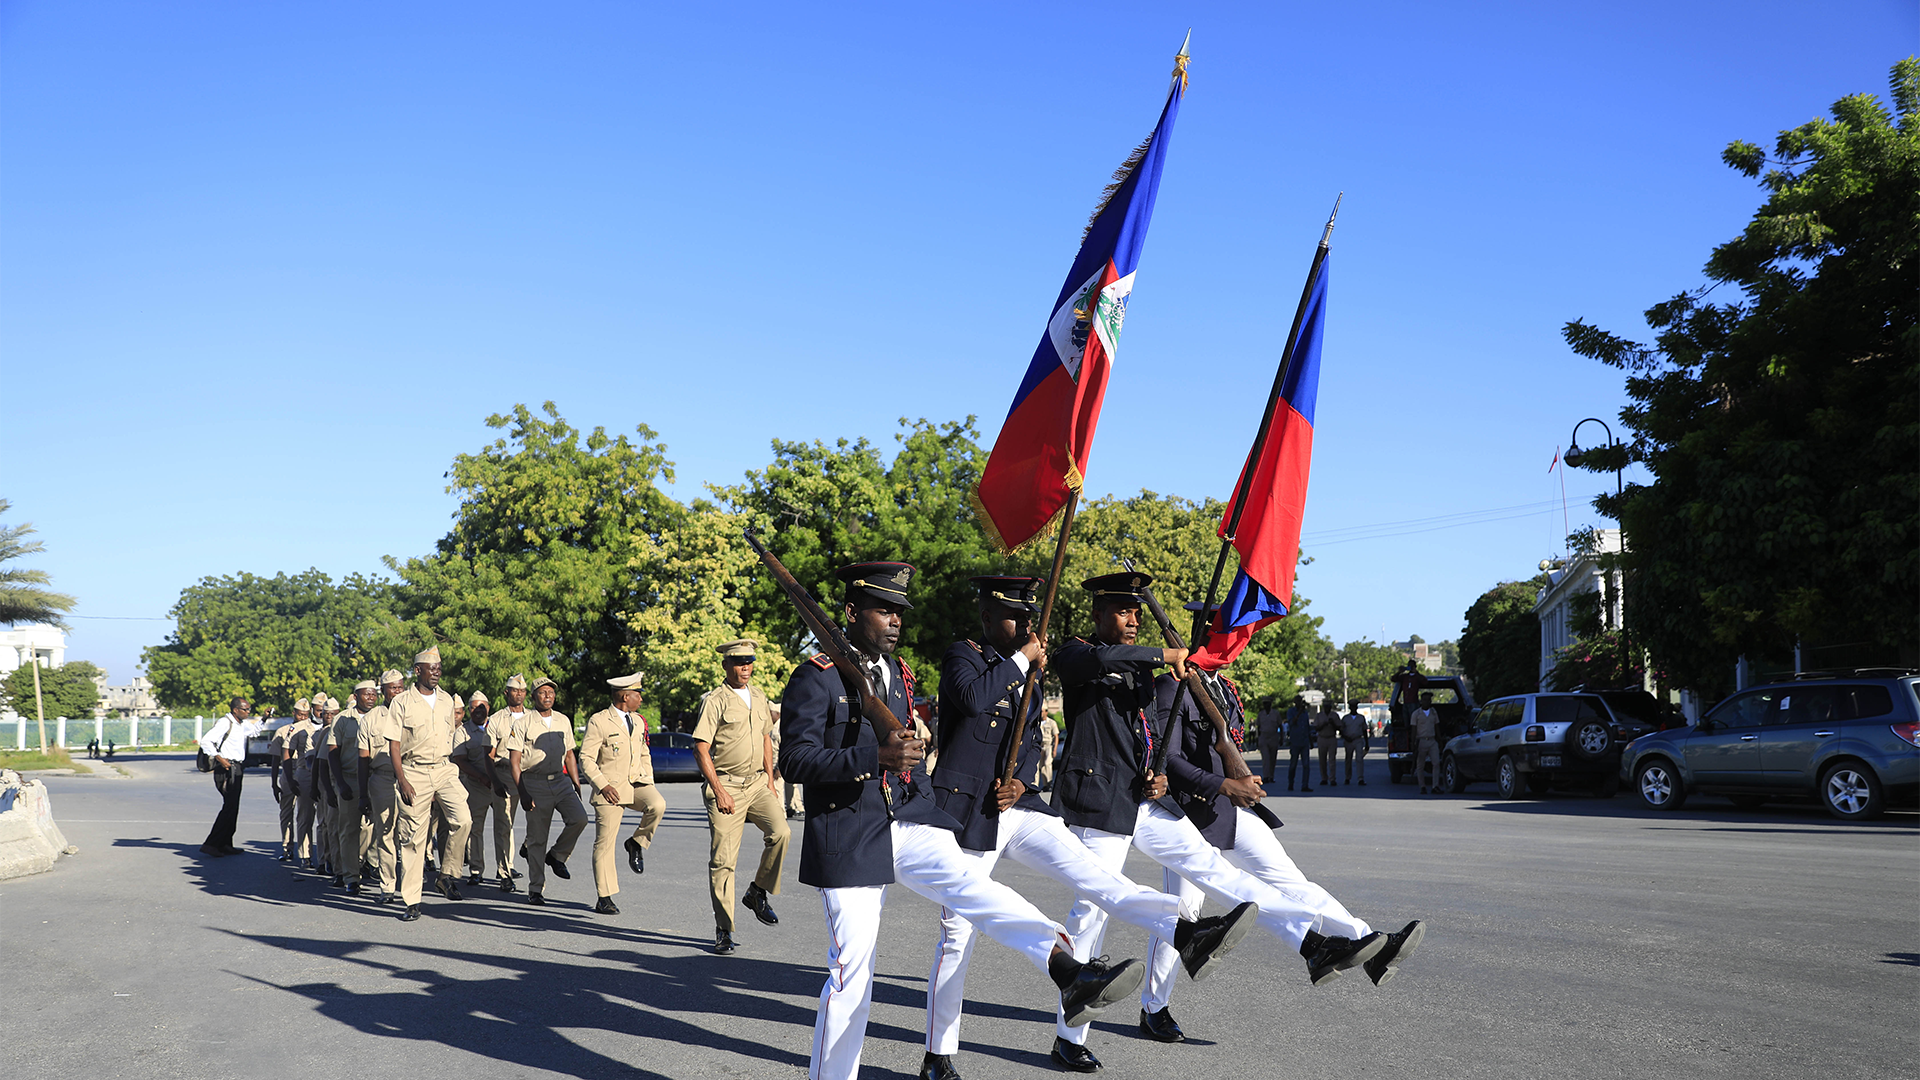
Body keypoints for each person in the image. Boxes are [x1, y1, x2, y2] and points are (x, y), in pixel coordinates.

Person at [781, 561, 1148, 1080]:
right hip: (850, 833)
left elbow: (909, 751)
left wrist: (926, 803)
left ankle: (1066, 969)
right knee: (851, 977)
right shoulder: (814, 678)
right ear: (850, 612)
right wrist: (874, 760)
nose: (895, 620)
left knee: (979, 892)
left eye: (899, 612)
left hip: (908, 821)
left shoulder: (895, 673)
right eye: (883, 609)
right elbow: (794, 760)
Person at [1052, 573, 1391, 1067]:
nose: (1132, 621)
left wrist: (1156, 774)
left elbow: (1141, 733)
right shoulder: (1076, 654)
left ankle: (1312, 945)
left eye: (1137, 613)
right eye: (1123, 612)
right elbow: (1103, 667)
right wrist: (1165, 655)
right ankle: (1070, 1038)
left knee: (1219, 874)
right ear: (1098, 613)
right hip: (1097, 803)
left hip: (1144, 800)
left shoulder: (1145, 670)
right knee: (1093, 912)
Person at [920, 577, 1251, 1080]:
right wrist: (1023, 660)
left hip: (1019, 806)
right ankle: (938, 1055)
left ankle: (1184, 931)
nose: (1028, 625)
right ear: (987, 618)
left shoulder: (1030, 671)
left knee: (1094, 877)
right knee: (958, 934)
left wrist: (1019, 781)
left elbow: (1027, 740)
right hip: (968, 812)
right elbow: (971, 701)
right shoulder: (964, 656)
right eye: (1015, 616)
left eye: (1030, 616)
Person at [1142, 621, 1425, 1037]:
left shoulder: (1225, 688)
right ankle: (1155, 1007)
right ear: (1203, 635)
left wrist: (1239, 782)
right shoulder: (1171, 687)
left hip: (1232, 809)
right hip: (1188, 816)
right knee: (1183, 915)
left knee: (1292, 881)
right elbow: (1171, 762)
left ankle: (1371, 944)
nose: (1236, 642)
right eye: (1226, 634)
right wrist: (1223, 783)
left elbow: (1228, 744)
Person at [692, 640, 787, 951]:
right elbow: (701, 748)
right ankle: (724, 929)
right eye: (739, 662)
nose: (745, 667)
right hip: (727, 785)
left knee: (781, 832)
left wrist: (771, 780)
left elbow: (765, 737)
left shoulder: (759, 697)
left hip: (758, 783)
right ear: (726, 665)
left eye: (750, 660)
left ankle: (757, 891)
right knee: (723, 861)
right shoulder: (715, 701)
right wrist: (718, 790)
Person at [386, 647, 473, 921]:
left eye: (439, 669)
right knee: (413, 837)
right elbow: (394, 744)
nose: (436, 673)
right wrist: (402, 780)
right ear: (418, 671)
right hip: (414, 771)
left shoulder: (447, 700)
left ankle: (446, 874)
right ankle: (412, 900)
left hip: (444, 768)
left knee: (464, 820)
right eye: (431, 669)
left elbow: (448, 735)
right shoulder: (402, 702)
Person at [581, 671, 668, 917]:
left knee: (658, 805)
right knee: (605, 843)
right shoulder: (600, 721)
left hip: (635, 784)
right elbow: (586, 758)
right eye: (637, 694)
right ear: (624, 695)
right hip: (609, 790)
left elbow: (643, 753)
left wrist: (647, 781)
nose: (641, 698)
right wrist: (602, 785)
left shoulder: (638, 720)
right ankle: (604, 897)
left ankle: (636, 842)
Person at [507, 676, 587, 906]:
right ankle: (535, 889)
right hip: (534, 782)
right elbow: (515, 761)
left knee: (579, 819)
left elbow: (570, 754)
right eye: (542, 692)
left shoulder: (563, 720)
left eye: (551, 692)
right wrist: (522, 792)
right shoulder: (523, 723)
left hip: (560, 781)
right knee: (537, 838)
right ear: (533, 697)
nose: (548, 696)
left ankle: (557, 855)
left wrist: (576, 782)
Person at [356, 671, 407, 903]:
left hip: (411, 777)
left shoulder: (413, 711)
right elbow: (363, 759)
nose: (397, 692)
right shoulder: (370, 719)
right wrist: (363, 794)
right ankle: (387, 886)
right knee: (385, 833)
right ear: (383, 691)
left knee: (410, 833)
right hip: (382, 779)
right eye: (392, 688)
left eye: (400, 687)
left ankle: (409, 884)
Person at [196, 697, 261, 857]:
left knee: (233, 807)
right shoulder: (225, 723)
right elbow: (206, 741)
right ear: (236, 710)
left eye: (249, 709)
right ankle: (211, 844)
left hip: (237, 766)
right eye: (245, 709)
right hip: (225, 768)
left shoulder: (241, 724)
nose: (248, 712)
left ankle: (225, 843)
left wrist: (264, 718)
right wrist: (220, 758)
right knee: (229, 806)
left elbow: (254, 732)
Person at [456, 690, 509, 887]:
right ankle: (476, 870)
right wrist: (481, 776)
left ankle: (505, 871)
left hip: (500, 783)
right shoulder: (463, 731)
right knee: (475, 829)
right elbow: (460, 759)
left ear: (488, 708)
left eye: (482, 707)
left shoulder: (498, 724)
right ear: (469, 710)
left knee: (504, 826)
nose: (478, 711)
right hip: (477, 785)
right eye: (473, 708)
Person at [329, 682, 377, 892]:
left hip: (377, 779)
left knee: (375, 829)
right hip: (350, 780)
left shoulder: (382, 717)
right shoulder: (342, 719)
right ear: (356, 696)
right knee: (349, 830)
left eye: (374, 694)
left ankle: (367, 864)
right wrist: (340, 783)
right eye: (367, 694)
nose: (371, 697)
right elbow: (332, 753)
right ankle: (351, 877)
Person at [485, 676, 529, 892]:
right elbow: (489, 755)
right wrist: (495, 782)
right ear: (506, 693)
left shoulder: (533, 717)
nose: (518, 694)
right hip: (504, 775)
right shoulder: (496, 720)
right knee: (504, 824)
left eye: (522, 691)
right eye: (514, 690)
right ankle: (504, 872)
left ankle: (526, 851)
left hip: (530, 775)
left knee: (538, 822)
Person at [272, 699, 310, 861]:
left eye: (305, 715)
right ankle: (287, 847)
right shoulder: (282, 731)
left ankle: (306, 852)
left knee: (305, 813)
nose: (302, 717)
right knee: (286, 812)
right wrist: (274, 783)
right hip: (288, 774)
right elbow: (275, 759)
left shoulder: (312, 730)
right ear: (294, 713)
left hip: (305, 772)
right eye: (300, 714)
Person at [1412, 692, 1442, 794]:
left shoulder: (1434, 712)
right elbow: (1413, 729)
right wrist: (1413, 743)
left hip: (1432, 740)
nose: (1427, 702)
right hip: (1421, 741)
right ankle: (1422, 786)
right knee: (1420, 765)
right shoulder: (1416, 714)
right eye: (1425, 700)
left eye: (1429, 700)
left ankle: (1435, 786)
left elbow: (1437, 726)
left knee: (1436, 763)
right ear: (1421, 701)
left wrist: (1439, 739)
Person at [1286, 699, 1314, 792]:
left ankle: (1305, 785)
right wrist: (1298, 713)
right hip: (1295, 741)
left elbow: (1307, 727)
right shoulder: (1291, 711)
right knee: (1293, 764)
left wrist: (1311, 741)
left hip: (1304, 741)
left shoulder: (1305, 713)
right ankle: (1291, 783)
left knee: (1306, 765)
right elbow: (1291, 722)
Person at [1341, 703, 1370, 786]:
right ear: (1350, 707)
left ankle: (1360, 778)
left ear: (1357, 707)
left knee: (1359, 759)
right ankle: (1347, 777)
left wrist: (1367, 743)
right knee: (1348, 759)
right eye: (1352, 707)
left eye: (1355, 707)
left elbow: (1364, 730)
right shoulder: (1345, 718)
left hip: (1358, 739)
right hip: (1348, 740)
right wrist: (1345, 737)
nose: (1353, 708)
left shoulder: (1361, 718)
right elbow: (1341, 730)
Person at [1256, 700, 1283, 783]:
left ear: (1270, 704)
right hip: (1263, 737)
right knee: (1265, 758)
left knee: (1273, 758)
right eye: (1264, 704)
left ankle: (1271, 776)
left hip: (1273, 736)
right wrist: (1257, 739)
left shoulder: (1275, 713)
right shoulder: (1261, 714)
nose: (1266, 705)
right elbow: (1258, 727)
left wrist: (1281, 738)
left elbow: (1280, 726)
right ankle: (1266, 776)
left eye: (1267, 704)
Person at [1314, 702, 1339, 787]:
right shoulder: (1319, 715)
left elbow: (1339, 727)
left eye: (1328, 706)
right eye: (1325, 707)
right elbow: (1316, 728)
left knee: (1332, 760)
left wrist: (1333, 724)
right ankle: (1324, 778)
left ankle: (1332, 779)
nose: (1327, 708)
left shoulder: (1334, 715)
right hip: (1322, 737)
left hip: (1331, 737)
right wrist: (1323, 724)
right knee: (1322, 759)